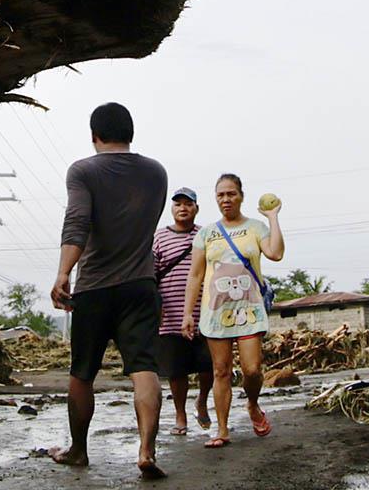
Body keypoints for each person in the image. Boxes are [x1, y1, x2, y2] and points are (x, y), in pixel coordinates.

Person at [49, 102, 168, 480]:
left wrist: (63, 272)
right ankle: (146, 449)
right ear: (130, 133)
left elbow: (78, 222)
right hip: (141, 285)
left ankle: (78, 451)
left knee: (82, 372)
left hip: (95, 287)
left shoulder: (83, 171)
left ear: (94, 135)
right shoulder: (156, 172)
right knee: (144, 367)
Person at [182, 173, 284, 449]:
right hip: (215, 313)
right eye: (221, 195)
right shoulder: (206, 234)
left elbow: (275, 253)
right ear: (215, 199)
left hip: (250, 311)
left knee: (252, 369)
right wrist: (188, 313)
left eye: (231, 194)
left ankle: (252, 403)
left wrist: (272, 217)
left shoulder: (256, 227)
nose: (226, 199)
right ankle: (222, 429)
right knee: (221, 371)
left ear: (241, 196)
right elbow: (195, 275)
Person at [153, 187, 213, 436]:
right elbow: (151, 273)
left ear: (196, 208)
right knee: (176, 370)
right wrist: (154, 308)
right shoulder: (159, 237)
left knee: (209, 365)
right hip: (169, 315)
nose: (183, 208)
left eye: (188, 204)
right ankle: (180, 414)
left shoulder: (206, 235)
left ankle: (202, 400)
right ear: (172, 208)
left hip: (205, 313)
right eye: (178, 204)